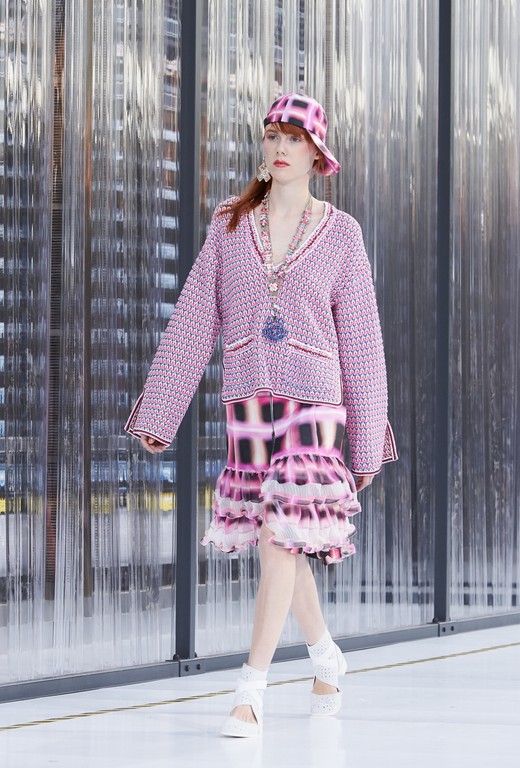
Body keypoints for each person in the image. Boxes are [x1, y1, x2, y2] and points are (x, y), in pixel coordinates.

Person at [125, 92, 398, 737]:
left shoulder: (342, 234)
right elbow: (195, 318)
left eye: (294, 138)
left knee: (280, 537)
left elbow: (363, 343)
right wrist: (161, 409)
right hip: (249, 400)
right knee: (284, 537)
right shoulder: (229, 225)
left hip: (315, 403)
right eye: (273, 135)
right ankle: (326, 655)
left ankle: (250, 690)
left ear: (317, 154)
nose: (280, 147)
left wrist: (364, 444)